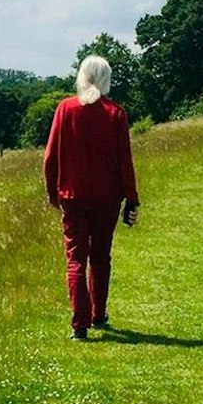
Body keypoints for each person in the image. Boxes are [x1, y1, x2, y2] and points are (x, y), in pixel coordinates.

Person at [42, 54, 140, 341]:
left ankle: (79, 325)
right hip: (107, 198)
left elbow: (49, 157)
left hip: (72, 196)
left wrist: (52, 192)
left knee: (76, 260)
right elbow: (125, 161)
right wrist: (131, 198)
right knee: (100, 258)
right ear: (106, 79)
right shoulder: (115, 113)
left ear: (81, 77)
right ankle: (98, 314)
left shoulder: (65, 109)